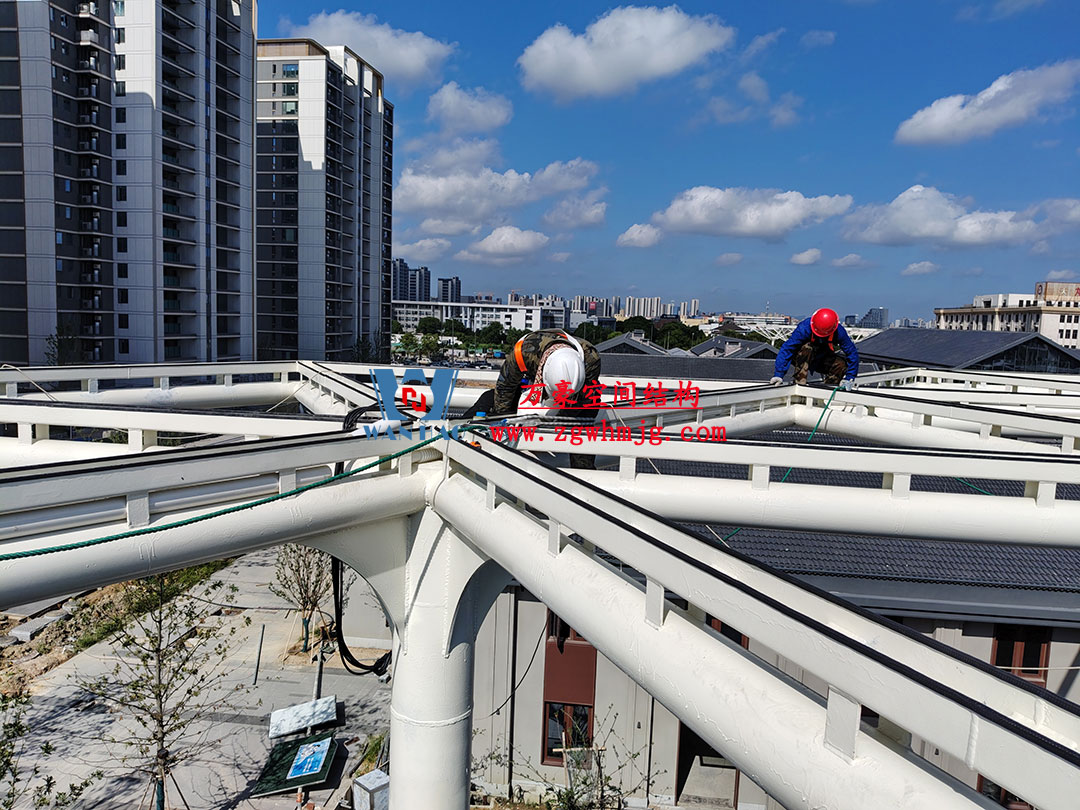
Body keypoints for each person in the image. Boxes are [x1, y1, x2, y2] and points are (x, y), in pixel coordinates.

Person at [464, 329, 602, 469]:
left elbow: (584, 403)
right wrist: (506, 425)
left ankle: (583, 470)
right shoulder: (524, 352)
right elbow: (505, 389)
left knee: (584, 423)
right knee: (492, 401)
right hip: (529, 384)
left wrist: (553, 426)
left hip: (580, 399)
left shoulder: (590, 359)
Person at [771, 308, 858, 390]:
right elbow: (787, 349)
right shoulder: (805, 327)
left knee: (840, 364)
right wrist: (779, 374)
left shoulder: (839, 332)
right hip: (801, 357)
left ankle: (829, 389)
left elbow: (852, 353)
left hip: (820, 358)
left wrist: (850, 378)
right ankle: (800, 383)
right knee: (807, 347)